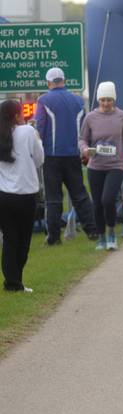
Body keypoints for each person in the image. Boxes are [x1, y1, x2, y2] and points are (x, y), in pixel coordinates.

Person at [35, 67, 98, 244]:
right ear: (64, 80)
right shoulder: (78, 101)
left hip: (52, 156)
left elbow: (39, 128)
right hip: (73, 155)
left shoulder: (44, 100)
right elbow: (86, 130)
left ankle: (53, 238)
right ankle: (92, 230)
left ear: (48, 83)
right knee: (80, 195)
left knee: (53, 198)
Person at [79, 82, 123, 251]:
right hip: (95, 165)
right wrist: (86, 150)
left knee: (108, 199)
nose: (106, 103)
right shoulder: (90, 117)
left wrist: (121, 153)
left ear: (114, 99)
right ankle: (101, 237)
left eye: (109, 100)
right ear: (98, 99)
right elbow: (82, 139)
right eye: (102, 100)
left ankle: (111, 233)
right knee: (97, 203)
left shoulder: (122, 116)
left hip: (116, 165)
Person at [0, 100, 44, 292]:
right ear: (18, 115)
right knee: (23, 240)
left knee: (10, 239)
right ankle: (16, 280)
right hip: (26, 193)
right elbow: (40, 158)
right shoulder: (27, 132)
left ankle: (11, 281)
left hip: (4, 194)